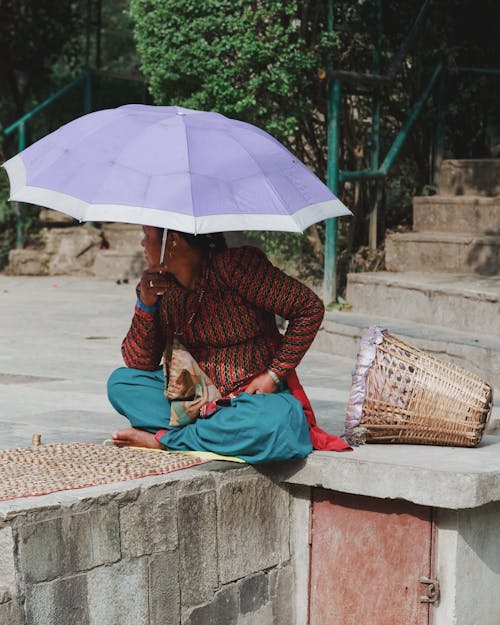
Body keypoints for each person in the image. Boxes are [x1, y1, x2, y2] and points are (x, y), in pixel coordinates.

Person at [107, 226, 349, 463]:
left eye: (147, 236)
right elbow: (140, 362)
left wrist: (273, 375)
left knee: (277, 421)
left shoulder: (235, 267)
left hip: (251, 400)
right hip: (191, 397)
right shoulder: (159, 286)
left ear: (173, 241)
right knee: (121, 384)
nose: (142, 243)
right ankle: (212, 433)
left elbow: (308, 308)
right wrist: (146, 305)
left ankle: (166, 441)